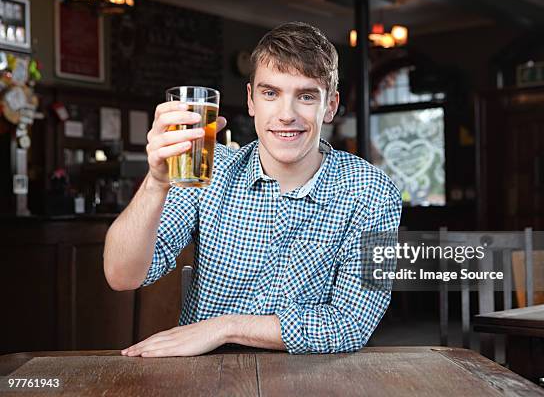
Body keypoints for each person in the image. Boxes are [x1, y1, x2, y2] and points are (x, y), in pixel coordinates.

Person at [104, 21, 402, 357]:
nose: (286, 115)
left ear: (330, 106)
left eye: (305, 96)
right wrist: (156, 183)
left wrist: (224, 327)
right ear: (251, 101)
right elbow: (121, 276)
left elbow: (351, 324)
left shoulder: (374, 191)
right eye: (270, 93)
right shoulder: (210, 170)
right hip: (203, 378)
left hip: (312, 381)